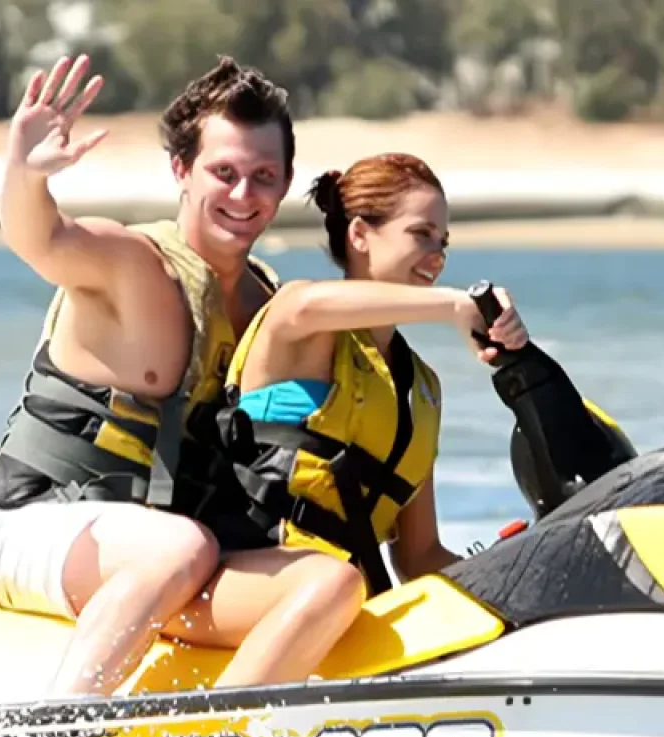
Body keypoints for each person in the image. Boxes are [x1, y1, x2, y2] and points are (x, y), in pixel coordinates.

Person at [0, 52, 296, 698]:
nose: (243, 196)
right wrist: (25, 176)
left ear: (283, 185)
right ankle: (65, 726)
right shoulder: (135, 266)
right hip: (24, 525)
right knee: (185, 548)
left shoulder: (267, 306)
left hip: (145, 545)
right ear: (181, 171)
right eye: (224, 172)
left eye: (263, 176)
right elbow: (44, 240)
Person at [155, 151, 531, 688]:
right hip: (235, 580)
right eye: (421, 234)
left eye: (443, 243)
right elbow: (310, 308)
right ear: (359, 234)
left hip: (337, 601)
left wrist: (514, 577)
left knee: (341, 585)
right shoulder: (302, 319)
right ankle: (219, 731)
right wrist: (453, 305)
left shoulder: (421, 388)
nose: (436, 256)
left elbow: (418, 554)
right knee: (334, 583)